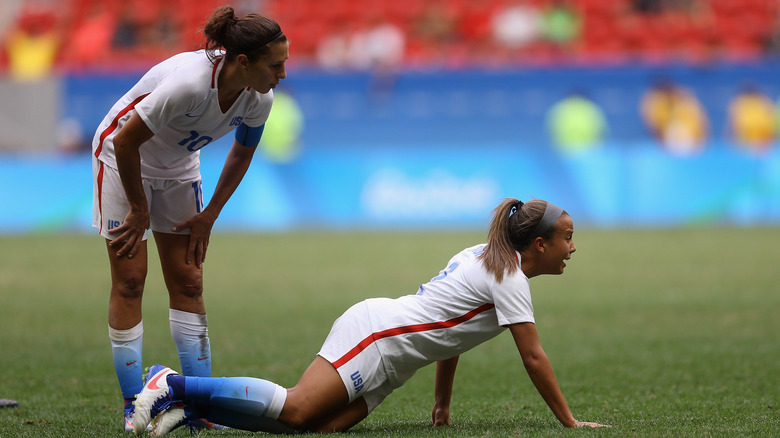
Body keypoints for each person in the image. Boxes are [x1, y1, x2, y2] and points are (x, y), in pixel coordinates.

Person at [131, 198, 612, 436]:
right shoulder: (508, 276)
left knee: (307, 429)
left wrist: (441, 405)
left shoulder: (486, 255)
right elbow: (533, 356)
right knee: (297, 407)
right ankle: (171, 384)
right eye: (568, 237)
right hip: (377, 337)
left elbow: (454, 336)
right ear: (541, 244)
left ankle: (193, 407)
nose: (574, 247)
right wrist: (568, 422)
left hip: (393, 364)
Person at [90, 5, 288, 432]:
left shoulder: (261, 97)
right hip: (122, 155)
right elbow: (125, 141)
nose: (283, 73)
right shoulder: (187, 85)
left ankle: (200, 406)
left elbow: (243, 151)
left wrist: (208, 216)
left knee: (189, 281)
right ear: (242, 62)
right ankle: (133, 404)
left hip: (180, 166)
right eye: (276, 64)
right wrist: (140, 209)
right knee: (130, 280)